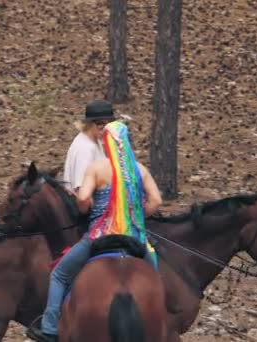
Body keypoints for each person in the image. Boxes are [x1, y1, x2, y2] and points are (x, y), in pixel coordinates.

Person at [27, 121, 163, 342]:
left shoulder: (98, 168)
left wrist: (86, 208)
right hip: (135, 238)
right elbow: (156, 201)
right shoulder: (141, 170)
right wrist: (135, 216)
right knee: (155, 278)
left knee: (59, 275)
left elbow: (82, 198)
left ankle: (49, 329)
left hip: (99, 237)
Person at [62, 100, 117, 193]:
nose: (105, 129)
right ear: (89, 123)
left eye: (109, 124)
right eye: (100, 124)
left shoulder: (96, 141)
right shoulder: (84, 149)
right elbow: (81, 191)